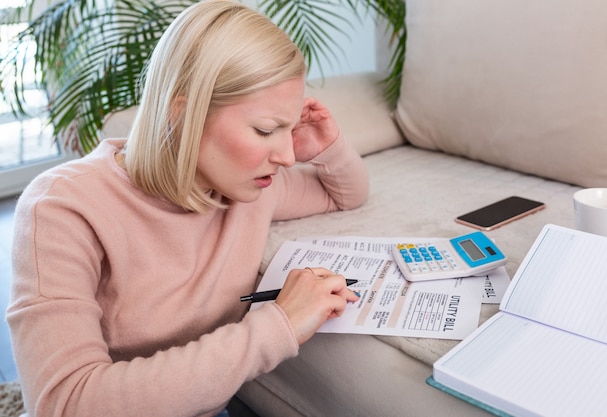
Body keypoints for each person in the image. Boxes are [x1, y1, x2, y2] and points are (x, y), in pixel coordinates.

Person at [7, 1, 368, 416]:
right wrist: (276, 327)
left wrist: (329, 147)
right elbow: (64, 405)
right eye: (266, 130)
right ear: (182, 114)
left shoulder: (249, 190)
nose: (287, 155)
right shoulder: (61, 209)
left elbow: (344, 195)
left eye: (288, 128)